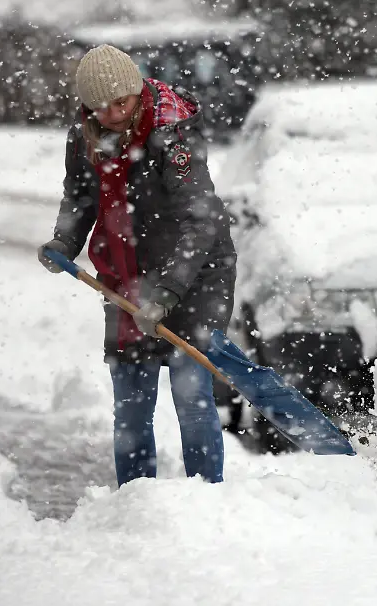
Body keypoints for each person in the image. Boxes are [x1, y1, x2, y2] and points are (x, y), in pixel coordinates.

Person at [37, 45, 237, 487]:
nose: (109, 114)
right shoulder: (85, 134)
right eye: (98, 106)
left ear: (137, 92)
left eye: (119, 103)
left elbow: (201, 222)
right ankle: (135, 500)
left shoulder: (172, 132)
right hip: (126, 278)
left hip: (196, 275)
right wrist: (65, 241)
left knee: (190, 393)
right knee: (130, 401)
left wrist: (167, 293)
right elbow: (81, 197)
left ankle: (207, 500)